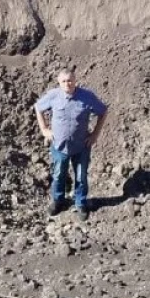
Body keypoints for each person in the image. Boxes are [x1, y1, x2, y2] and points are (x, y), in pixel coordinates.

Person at [34, 69, 108, 221]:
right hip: (59, 147)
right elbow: (38, 107)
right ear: (59, 82)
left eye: (70, 80)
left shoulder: (87, 97)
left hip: (81, 146)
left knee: (81, 176)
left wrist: (95, 135)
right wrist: (44, 129)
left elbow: (103, 111)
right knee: (58, 174)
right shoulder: (53, 96)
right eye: (64, 81)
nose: (67, 84)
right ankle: (58, 200)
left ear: (75, 81)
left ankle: (80, 203)